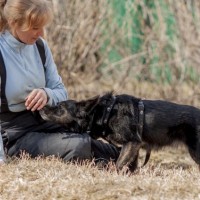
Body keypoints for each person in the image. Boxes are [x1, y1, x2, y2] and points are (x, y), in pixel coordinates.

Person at [0, 0, 119, 165]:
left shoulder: (40, 46)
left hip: (47, 119)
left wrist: (46, 94)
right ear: (14, 23)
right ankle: (114, 159)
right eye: (35, 28)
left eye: (43, 27)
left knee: (90, 124)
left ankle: (119, 157)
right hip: (15, 134)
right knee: (78, 145)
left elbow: (60, 91)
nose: (41, 34)